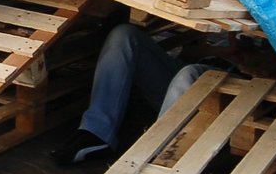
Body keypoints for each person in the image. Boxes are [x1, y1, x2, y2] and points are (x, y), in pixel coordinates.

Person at [49, 23, 250, 166]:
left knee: (188, 74)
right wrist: (215, 50)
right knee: (124, 34)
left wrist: (249, 60)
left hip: (238, 95)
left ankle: (157, 153)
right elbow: (190, 55)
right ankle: (96, 132)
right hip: (186, 86)